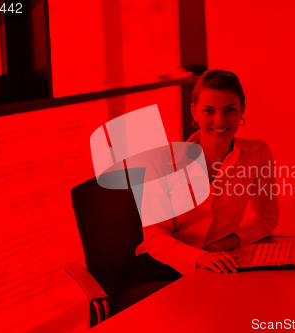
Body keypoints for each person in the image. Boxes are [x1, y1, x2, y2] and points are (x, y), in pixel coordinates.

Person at [118, 69, 279, 310]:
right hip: (159, 273)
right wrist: (200, 257)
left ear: (242, 109)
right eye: (209, 110)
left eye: (229, 109)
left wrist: (232, 239)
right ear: (194, 111)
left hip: (216, 268)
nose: (220, 121)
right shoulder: (164, 161)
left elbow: (266, 217)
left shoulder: (257, 154)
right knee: (207, 310)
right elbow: (154, 237)